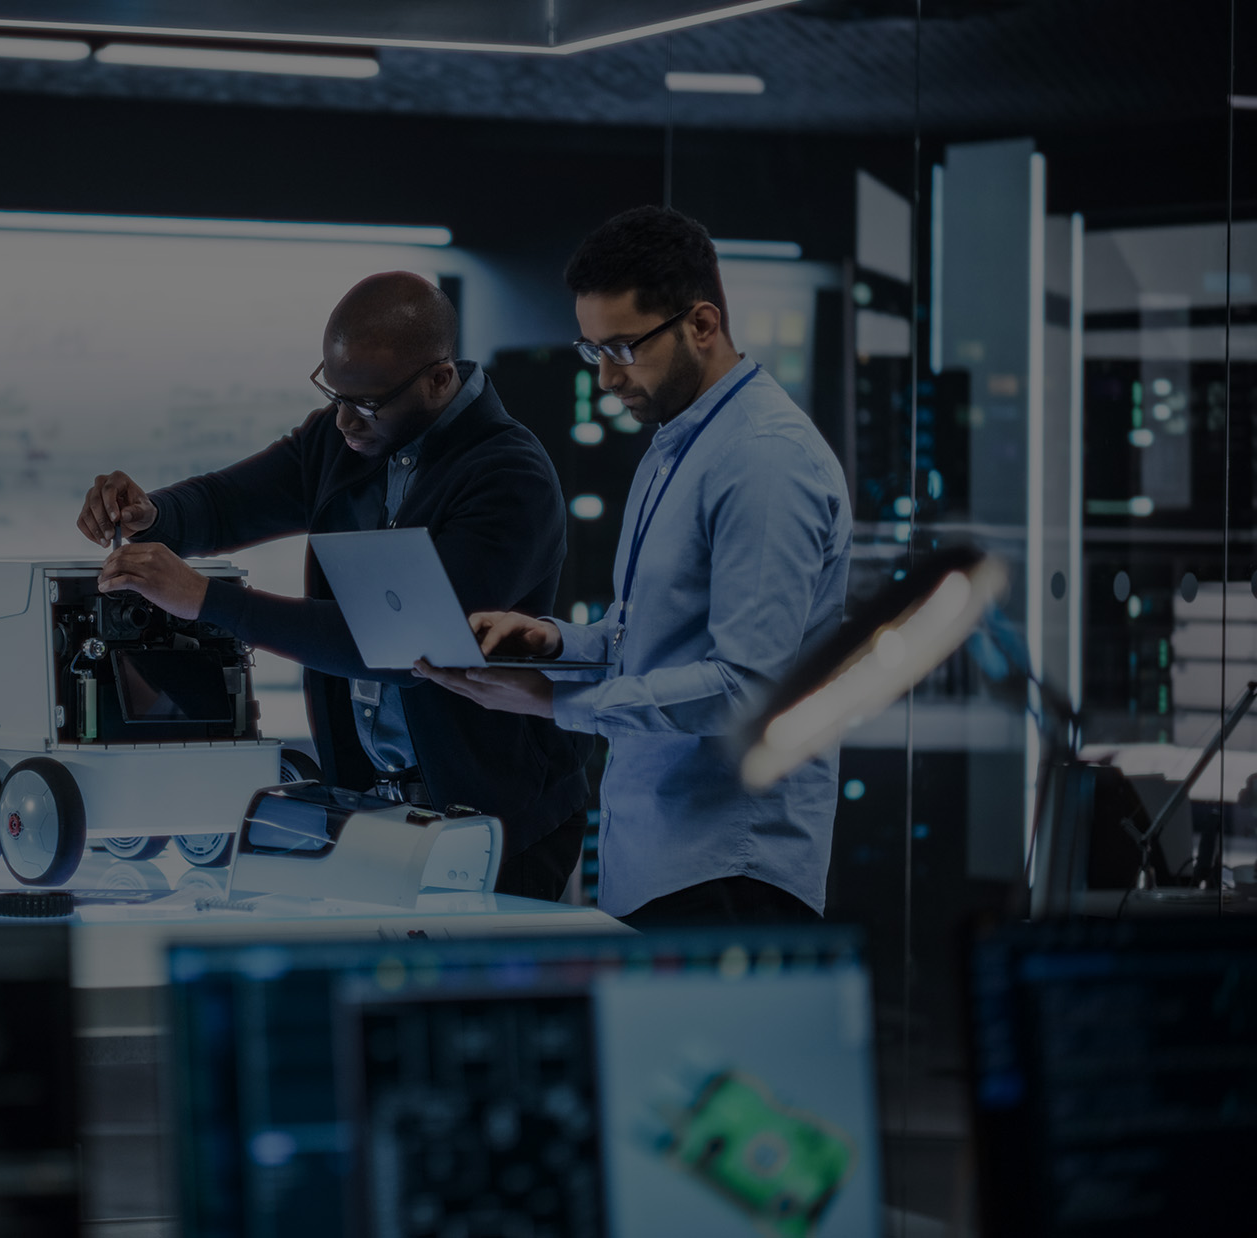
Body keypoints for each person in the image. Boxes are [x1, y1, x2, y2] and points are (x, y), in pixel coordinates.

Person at [82, 272, 589, 899]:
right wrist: (150, 515)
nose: (345, 419)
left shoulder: (510, 476)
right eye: (332, 392)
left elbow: (406, 652)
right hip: (378, 812)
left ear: (438, 379)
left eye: (368, 403)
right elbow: (228, 503)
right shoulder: (340, 436)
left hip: (498, 820)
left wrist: (206, 601)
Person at [413, 207, 852, 926]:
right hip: (660, 859)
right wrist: (556, 644)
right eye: (593, 351)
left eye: (622, 347)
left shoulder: (766, 460)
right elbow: (647, 633)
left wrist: (554, 702)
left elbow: (748, 688)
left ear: (702, 325)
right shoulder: (679, 440)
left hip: (732, 870)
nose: (607, 379)